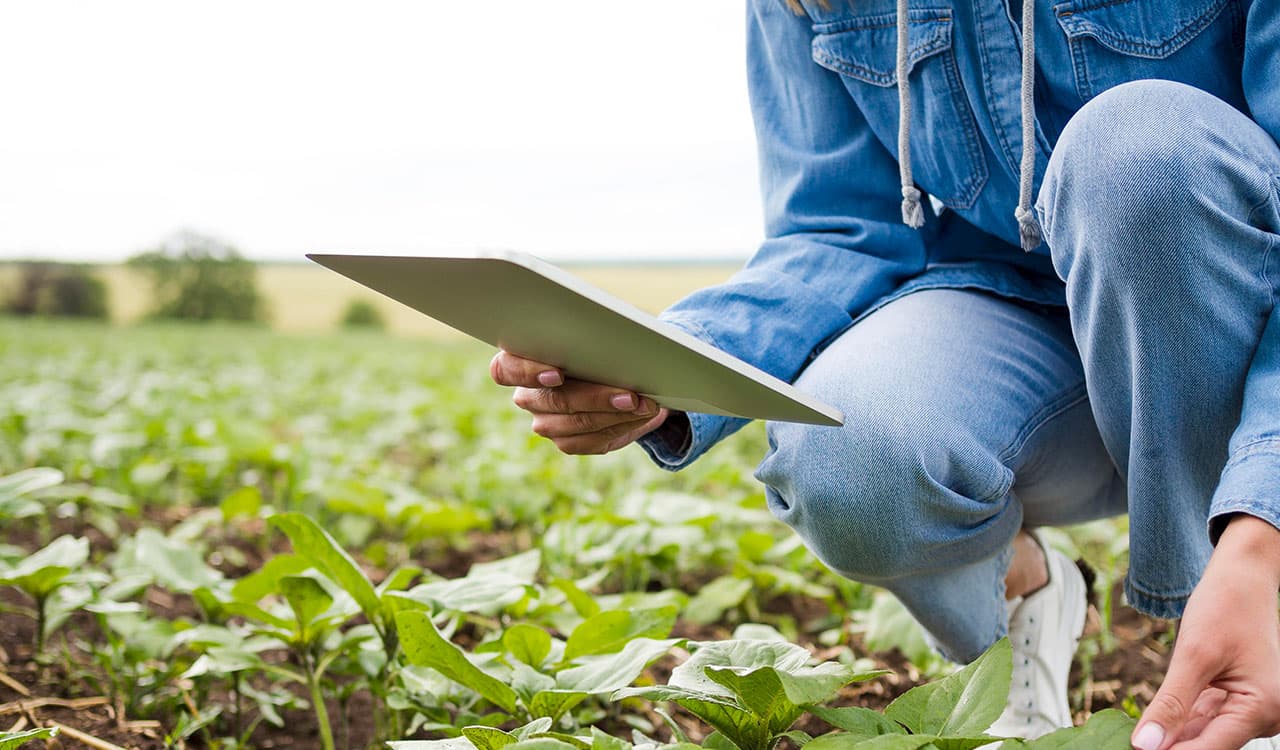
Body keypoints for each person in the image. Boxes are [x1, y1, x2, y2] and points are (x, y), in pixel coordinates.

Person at [489, 0, 1280, 747]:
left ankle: (1245, 638)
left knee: (1137, 153)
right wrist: (662, 367)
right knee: (846, 451)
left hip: (1232, 320)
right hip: (1014, 322)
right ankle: (1017, 605)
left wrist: (1262, 529)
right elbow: (836, 227)